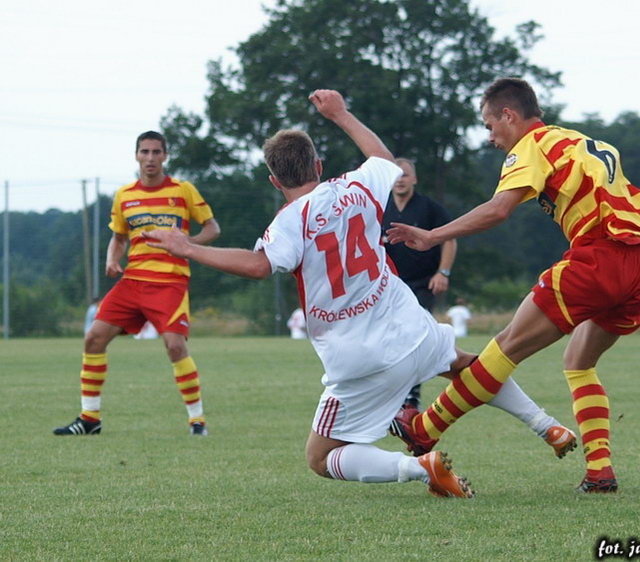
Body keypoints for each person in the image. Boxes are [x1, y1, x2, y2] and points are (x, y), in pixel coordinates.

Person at [144, 89, 575, 497]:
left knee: (320, 457)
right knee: (469, 366)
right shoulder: (356, 186)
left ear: (275, 181)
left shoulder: (289, 221)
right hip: (409, 327)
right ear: (318, 165)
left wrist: (188, 248)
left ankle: (419, 467)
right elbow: (383, 159)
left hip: (358, 356)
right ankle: (546, 425)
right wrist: (340, 114)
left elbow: (258, 265)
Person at [387, 77, 640, 493]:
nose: (490, 137)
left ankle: (425, 427)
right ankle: (600, 472)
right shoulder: (576, 139)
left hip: (597, 259)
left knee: (505, 348)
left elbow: (499, 210)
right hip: (639, 266)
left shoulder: (531, 144)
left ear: (509, 115)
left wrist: (432, 236)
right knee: (579, 361)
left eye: (489, 125)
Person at [53, 131, 221, 437]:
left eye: (156, 152)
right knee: (93, 338)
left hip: (169, 281)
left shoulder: (182, 190)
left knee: (175, 346)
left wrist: (189, 245)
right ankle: (89, 419)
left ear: (165, 156)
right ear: (136, 156)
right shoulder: (125, 195)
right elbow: (118, 238)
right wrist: (111, 259)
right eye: (145, 152)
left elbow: (212, 228)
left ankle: (197, 422)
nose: (150, 158)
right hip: (132, 281)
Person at [381, 158, 457, 410]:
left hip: (423, 284)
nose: (400, 179)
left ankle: (411, 396)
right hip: (389, 286)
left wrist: (443, 272)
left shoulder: (428, 208)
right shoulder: (381, 208)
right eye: (396, 175)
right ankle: (393, 395)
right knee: (390, 340)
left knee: (413, 337)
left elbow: (449, 239)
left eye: (405, 174)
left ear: (414, 179)